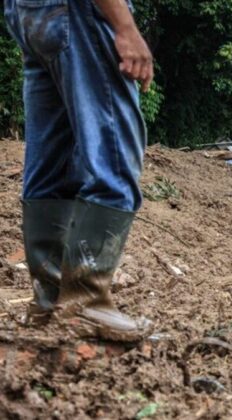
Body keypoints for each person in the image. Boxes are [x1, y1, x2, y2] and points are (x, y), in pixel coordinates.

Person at [5, 0, 154, 340]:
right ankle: (86, 300)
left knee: (51, 163)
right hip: (78, 12)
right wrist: (124, 25)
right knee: (114, 156)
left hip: (29, 13)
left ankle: (51, 301)